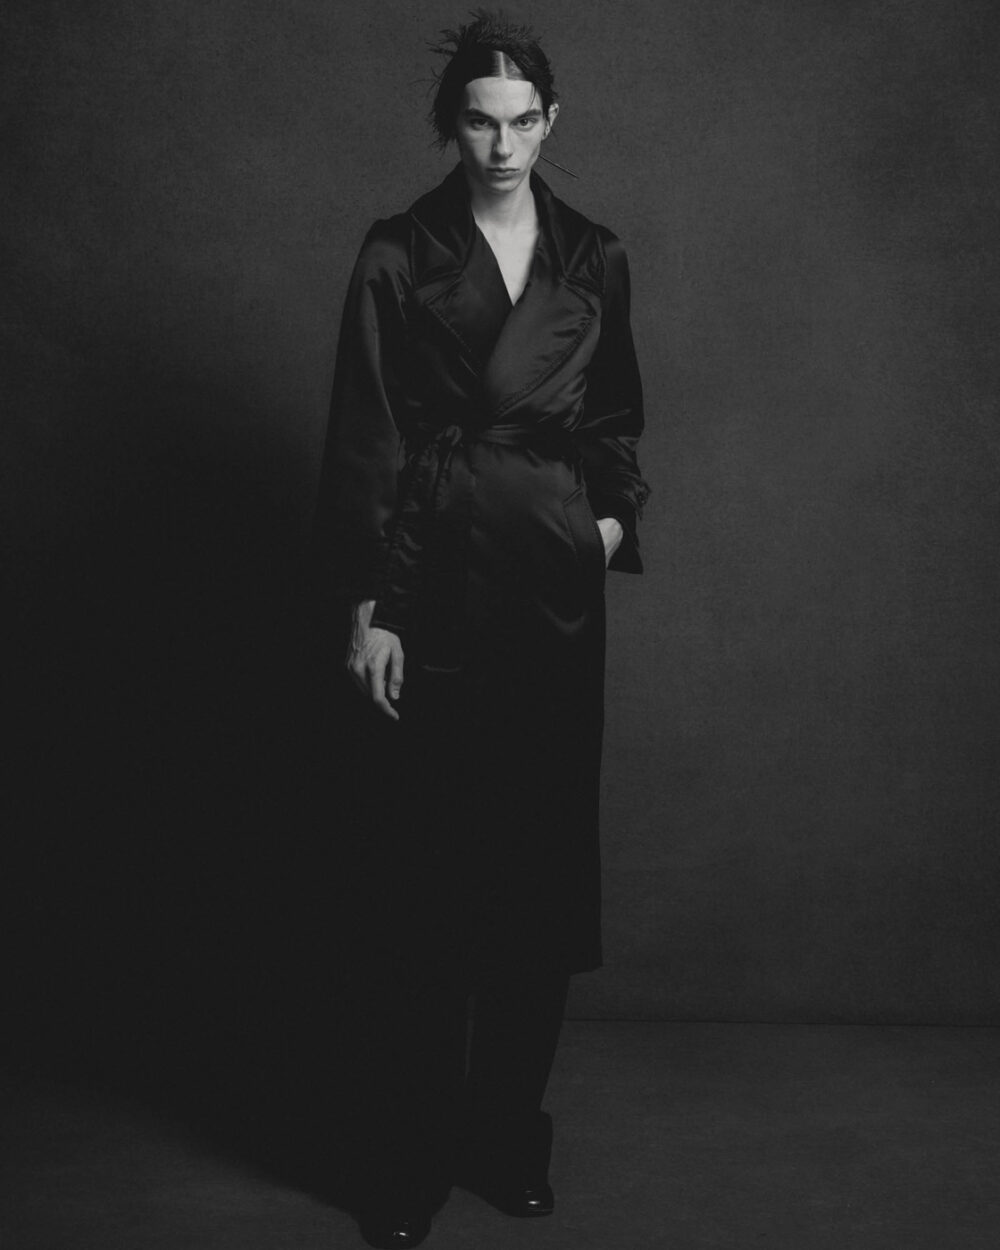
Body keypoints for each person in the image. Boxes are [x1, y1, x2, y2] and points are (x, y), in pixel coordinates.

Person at [312, 12, 649, 1248]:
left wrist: (599, 526)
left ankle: (505, 1141)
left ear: (550, 123)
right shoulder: (399, 251)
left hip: (551, 595)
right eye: (478, 121)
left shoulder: (594, 254)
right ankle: (403, 1159)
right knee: (421, 886)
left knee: (534, 883)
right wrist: (370, 605)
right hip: (431, 580)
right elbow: (366, 432)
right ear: (449, 127)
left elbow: (616, 419)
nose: (502, 146)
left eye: (522, 123)